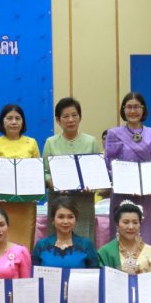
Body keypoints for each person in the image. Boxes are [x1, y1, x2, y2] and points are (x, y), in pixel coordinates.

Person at [105, 92, 151, 247]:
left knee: (148, 237)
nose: (133, 111)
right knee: (122, 235)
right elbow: (109, 163)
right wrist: (125, 183)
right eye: (129, 107)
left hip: (148, 197)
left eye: (137, 107)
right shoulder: (113, 133)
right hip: (122, 194)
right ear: (123, 109)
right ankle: (119, 270)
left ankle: (148, 269)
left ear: (143, 109)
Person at [0, 104, 41, 250]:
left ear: (23, 122)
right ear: (2, 121)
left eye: (17, 118)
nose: (13, 122)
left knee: (24, 247)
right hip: (0, 203)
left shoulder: (31, 143)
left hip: (25, 206)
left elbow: (37, 172)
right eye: (9, 118)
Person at [42, 97, 102, 241]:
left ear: (80, 117)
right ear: (58, 120)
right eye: (66, 116)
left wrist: (93, 184)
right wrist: (53, 183)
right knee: (57, 240)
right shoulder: (51, 142)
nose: (70, 120)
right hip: (58, 200)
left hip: (83, 202)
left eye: (74, 115)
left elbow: (98, 172)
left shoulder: (91, 141)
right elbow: (44, 173)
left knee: (83, 240)